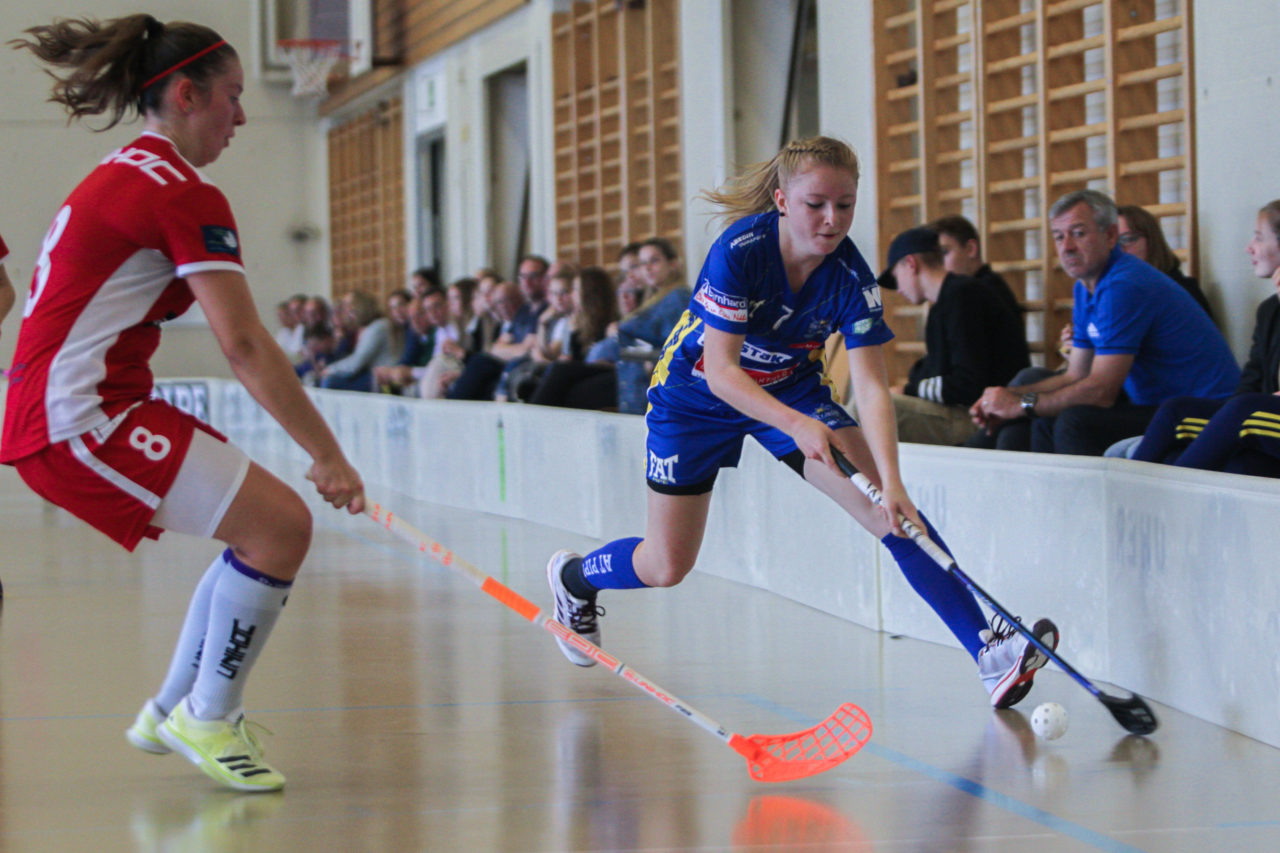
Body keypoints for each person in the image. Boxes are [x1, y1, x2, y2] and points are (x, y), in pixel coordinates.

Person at [545, 136, 1059, 711]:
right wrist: (795, 425)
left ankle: (989, 654)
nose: (832, 219)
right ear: (783, 200)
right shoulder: (740, 250)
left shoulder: (851, 274)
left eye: (845, 204)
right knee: (666, 565)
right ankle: (575, 581)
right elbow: (720, 372)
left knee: (891, 517)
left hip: (791, 388)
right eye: (816, 204)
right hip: (693, 399)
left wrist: (893, 482)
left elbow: (870, 385)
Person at [5, 14, 364, 792]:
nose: (241, 116)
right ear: (185, 92)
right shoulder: (176, 189)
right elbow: (243, 344)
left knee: (259, 527)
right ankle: (207, 714)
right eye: (233, 97)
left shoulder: (129, 171)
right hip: (81, 417)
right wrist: (326, 453)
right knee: (282, 526)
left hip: (88, 404)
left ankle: (174, 705)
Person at [970, 189, 1239, 456]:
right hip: (1161, 406)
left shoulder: (1124, 285)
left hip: (1206, 411)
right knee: (1042, 417)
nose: (1067, 247)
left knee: (1073, 422)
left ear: (1110, 236)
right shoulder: (1085, 287)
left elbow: (1100, 392)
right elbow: (1075, 375)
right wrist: (1006, 398)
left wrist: (1020, 405)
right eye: (1059, 237)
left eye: (1078, 233)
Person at [1131, 200, 1280, 475]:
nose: (1250, 247)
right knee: (1178, 413)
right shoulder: (1270, 310)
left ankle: (1171, 496)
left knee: (1246, 412)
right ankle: (1128, 495)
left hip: (1262, 416)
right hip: (1268, 420)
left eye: (1259, 237)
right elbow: (1250, 384)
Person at [876, 226, 1029, 446]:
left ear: (910, 264)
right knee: (878, 405)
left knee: (873, 408)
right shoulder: (946, 301)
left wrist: (909, 389)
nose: (898, 289)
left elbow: (968, 384)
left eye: (896, 277)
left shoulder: (963, 296)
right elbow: (937, 369)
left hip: (984, 416)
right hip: (969, 411)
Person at [530, 266, 621, 409]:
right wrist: (542, 324)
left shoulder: (610, 323)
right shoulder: (577, 322)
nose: (572, 295)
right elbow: (555, 354)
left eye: (575, 289)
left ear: (589, 293)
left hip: (605, 372)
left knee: (560, 371)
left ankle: (533, 417)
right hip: (585, 372)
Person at [1117, 204, 1212, 321]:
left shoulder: (1179, 290)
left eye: (1127, 239)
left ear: (1152, 241)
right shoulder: (1119, 288)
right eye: (1112, 243)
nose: (1119, 249)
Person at [932, 214, 1021, 319]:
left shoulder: (977, 293)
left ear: (970, 249)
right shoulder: (984, 286)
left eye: (944, 252)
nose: (939, 264)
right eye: (935, 257)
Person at [319, 290, 396, 392]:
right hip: (370, 374)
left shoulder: (378, 326)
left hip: (382, 379)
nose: (347, 311)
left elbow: (356, 363)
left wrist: (330, 369)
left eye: (350, 306)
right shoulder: (360, 329)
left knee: (330, 381)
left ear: (362, 306)